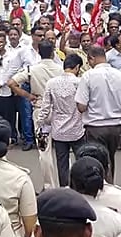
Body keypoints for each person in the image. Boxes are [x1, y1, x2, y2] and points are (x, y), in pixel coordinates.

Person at [76, 45, 121, 183]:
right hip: (115, 127)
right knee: (110, 160)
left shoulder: (88, 76)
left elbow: (82, 107)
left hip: (95, 126)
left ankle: (98, 189)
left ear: (91, 58)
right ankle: (110, 186)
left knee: (95, 161)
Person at [37, 54, 86, 187]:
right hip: (77, 128)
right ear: (77, 67)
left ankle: (64, 188)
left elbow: (45, 106)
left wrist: (40, 124)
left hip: (58, 130)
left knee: (61, 162)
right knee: (81, 159)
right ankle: (81, 186)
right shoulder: (79, 82)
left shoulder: (51, 83)